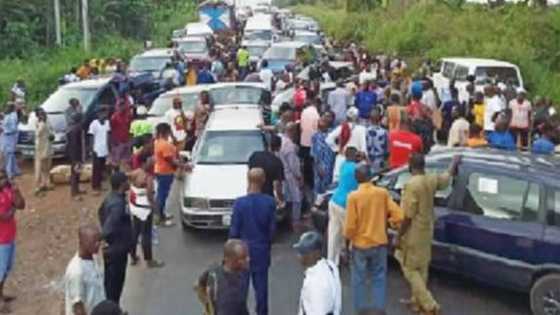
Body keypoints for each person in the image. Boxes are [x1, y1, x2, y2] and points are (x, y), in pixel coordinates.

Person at [396, 154, 460, 315]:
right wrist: (453, 163)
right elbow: (446, 178)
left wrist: (398, 236)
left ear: (410, 166)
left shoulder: (411, 185)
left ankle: (429, 304)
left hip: (413, 232)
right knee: (422, 268)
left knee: (410, 269)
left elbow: (408, 216)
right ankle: (416, 302)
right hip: (427, 229)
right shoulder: (431, 179)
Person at [344, 164, 403, 313]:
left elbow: (350, 226)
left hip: (360, 245)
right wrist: (390, 224)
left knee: (359, 279)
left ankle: (361, 309)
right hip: (379, 243)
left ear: (357, 178)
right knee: (379, 278)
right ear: (370, 176)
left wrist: (347, 243)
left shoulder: (353, 197)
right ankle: (379, 309)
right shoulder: (382, 193)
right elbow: (399, 215)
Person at [229, 168, 276, 315]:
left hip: (242, 250)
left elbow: (234, 231)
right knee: (261, 288)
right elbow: (272, 230)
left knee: (240, 288)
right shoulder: (269, 202)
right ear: (263, 181)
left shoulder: (239, 203)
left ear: (248, 180)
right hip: (261, 249)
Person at [98, 172, 133, 305]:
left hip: (114, 248)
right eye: (126, 181)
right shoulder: (118, 204)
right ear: (122, 184)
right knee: (115, 286)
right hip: (116, 250)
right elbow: (110, 226)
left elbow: (100, 212)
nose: (129, 183)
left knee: (111, 284)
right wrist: (106, 237)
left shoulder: (111, 198)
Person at [128, 154, 164, 268]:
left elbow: (127, 176)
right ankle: (149, 260)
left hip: (135, 207)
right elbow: (150, 196)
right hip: (145, 209)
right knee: (146, 235)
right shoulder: (148, 179)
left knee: (135, 232)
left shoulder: (137, 172)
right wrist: (155, 209)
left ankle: (133, 257)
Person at [195, 240, 250, 315]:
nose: (248, 259)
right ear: (231, 260)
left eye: (247, 256)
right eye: (242, 258)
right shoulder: (229, 294)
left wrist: (208, 306)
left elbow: (198, 284)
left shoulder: (214, 269)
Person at [293, 231, 342, 315]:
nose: (299, 256)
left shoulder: (317, 283)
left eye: (303, 253)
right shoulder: (330, 265)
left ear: (316, 254)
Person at [327, 146, 359, 266]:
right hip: (346, 205)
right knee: (353, 233)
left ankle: (332, 261)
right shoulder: (356, 169)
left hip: (334, 200)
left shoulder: (344, 165)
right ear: (355, 156)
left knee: (334, 232)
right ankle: (351, 256)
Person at [64, 225, 105, 315]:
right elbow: (78, 307)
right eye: (94, 242)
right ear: (82, 242)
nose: (98, 244)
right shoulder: (76, 271)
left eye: (99, 240)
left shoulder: (94, 258)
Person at [0, 170, 24, 313]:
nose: (3, 180)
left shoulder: (8, 190)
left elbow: (22, 205)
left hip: (9, 237)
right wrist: (14, 206)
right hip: (1, 240)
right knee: (0, 271)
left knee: (6, 269)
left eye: (3, 177)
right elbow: (5, 216)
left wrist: (17, 192)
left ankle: (1, 294)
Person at [326, 107, 367, 182]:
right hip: (356, 160)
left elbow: (328, 139)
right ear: (357, 117)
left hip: (342, 158)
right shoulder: (362, 129)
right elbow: (363, 148)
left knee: (338, 181)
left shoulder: (342, 127)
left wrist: (337, 149)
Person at [154, 123, 182, 226]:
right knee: (162, 195)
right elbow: (170, 160)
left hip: (161, 171)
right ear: (165, 132)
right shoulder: (164, 144)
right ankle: (160, 218)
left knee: (162, 194)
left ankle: (162, 214)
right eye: (169, 131)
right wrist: (183, 166)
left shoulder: (158, 142)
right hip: (165, 172)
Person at [279, 122, 304, 230]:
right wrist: (299, 176)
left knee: (285, 198)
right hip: (289, 175)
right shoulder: (289, 145)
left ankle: (286, 221)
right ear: (292, 131)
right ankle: (295, 223)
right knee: (296, 199)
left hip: (280, 173)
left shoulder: (280, 139)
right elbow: (293, 165)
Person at [248, 134, 285, 205]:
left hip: (253, 195)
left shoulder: (254, 156)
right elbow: (277, 185)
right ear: (279, 147)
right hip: (267, 196)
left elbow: (250, 176)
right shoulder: (277, 162)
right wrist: (280, 199)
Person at [311, 115, 336, 196]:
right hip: (319, 165)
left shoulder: (333, 135)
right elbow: (314, 154)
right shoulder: (315, 136)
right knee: (319, 186)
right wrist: (318, 166)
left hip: (330, 165)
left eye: (323, 121)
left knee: (328, 186)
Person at [300, 101, 320, 197]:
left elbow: (301, 127)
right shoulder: (316, 114)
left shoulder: (304, 112)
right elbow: (316, 127)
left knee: (306, 162)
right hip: (312, 141)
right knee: (312, 162)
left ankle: (306, 180)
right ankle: (311, 182)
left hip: (304, 140)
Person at [88, 109, 111, 194]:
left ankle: (100, 185)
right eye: (102, 113)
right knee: (96, 169)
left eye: (105, 113)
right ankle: (95, 186)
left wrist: (109, 149)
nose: (104, 115)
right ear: (98, 114)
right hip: (96, 149)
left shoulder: (107, 123)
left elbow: (108, 136)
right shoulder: (94, 124)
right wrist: (91, 149)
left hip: (104, 149)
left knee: (102, 168)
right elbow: (91, 137)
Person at [34, 108, 53, 195]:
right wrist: (41, 123)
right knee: (39, 167)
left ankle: (46, 183)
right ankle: (37, 186)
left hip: (48, 146)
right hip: (40, 148)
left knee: (47, 166)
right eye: (41, 114)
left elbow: (51, 131)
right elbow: (37, 134)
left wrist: (52, 135)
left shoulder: (47, 121)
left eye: (44, 114)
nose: (43, 115)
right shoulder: (39, 122)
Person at [109, 99, 133, 171]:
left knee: (126, 161)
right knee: (116, 161)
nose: (122, 107)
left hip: (126, 141)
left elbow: (130, 128)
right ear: (117, 106)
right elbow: (110, 131)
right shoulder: (114, 117)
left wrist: (130, 140)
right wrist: (113, 142)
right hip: (117, 142)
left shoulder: (128, 116)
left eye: (123, 105)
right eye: (120, 105)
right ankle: (116, 175)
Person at [67, 113, 85, 201]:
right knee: (75, 174)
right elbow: (74, 146)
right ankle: (74, 193)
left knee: (77, 173)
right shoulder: (75, 130)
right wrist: (77, 159)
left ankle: (77, 189)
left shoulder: (75, 128)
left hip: (76, 155)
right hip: (75, 156)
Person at [366, 107, 388, 173]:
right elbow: (387, 150)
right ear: (380, 119)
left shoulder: (365, 131)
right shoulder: (384, 132)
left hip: (368, 160)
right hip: (380, 160)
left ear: (370, 118)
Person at [1, 104, 20, 179]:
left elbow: (13, 128)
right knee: (10, 154)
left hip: (10, 136)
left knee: (9, 154)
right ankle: (16, 170)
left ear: (11, 108)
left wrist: (4, 128)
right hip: (6, 136)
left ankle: (9, 173)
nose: (6, 108)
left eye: (8, 106)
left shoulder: (12, 116)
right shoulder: (7, 115)